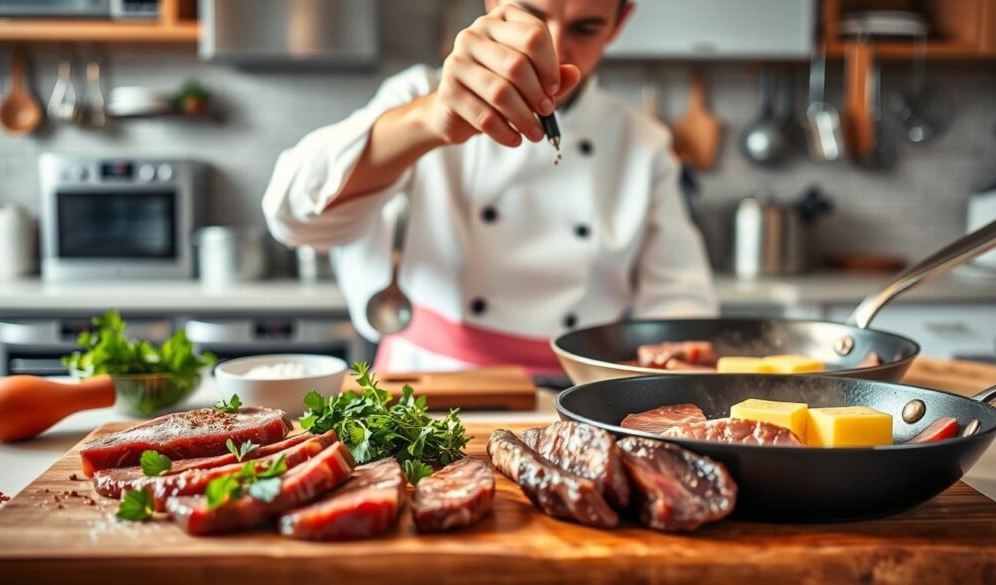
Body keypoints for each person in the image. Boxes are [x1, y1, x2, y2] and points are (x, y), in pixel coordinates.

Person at [262, 0, 716, 375]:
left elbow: (679, 303)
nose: (555, 51)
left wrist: (680, 365)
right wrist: (429, 121)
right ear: (495, 4)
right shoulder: (418, 93)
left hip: (577, 395)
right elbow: (292, 216)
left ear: (619, 23)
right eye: (533, 16)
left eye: (586, 27)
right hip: (426, 385)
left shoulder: (643, 142)